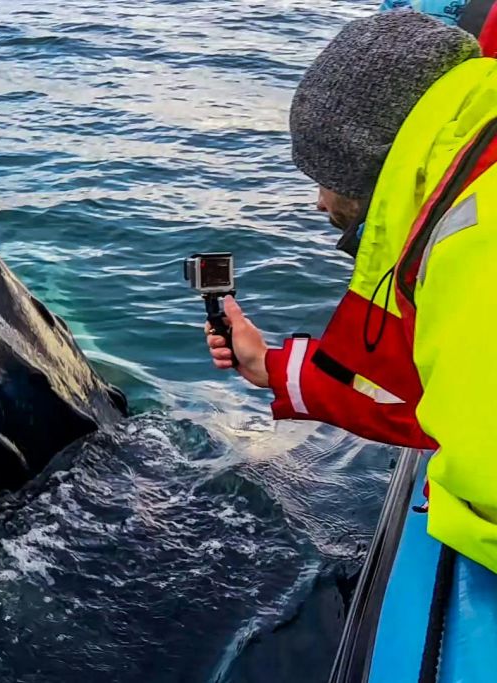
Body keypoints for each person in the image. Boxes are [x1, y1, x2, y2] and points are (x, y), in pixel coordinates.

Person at [205, 9, 497, 573]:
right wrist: (270, 367)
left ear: (369, 160)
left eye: (324, 178)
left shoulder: (477, 238)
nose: (319, 203)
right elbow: (435, 397)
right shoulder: (472, 168)